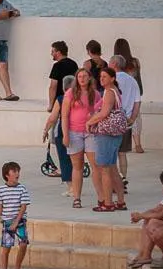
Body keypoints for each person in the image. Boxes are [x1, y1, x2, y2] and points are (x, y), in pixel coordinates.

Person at [86, 67, 126, 212]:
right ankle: (120, 201)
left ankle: (107, 203)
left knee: (105, 169)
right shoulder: (115, 91)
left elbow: (104, 113)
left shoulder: (109, 92)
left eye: (105, 76)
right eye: (100, 76)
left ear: (112, 78)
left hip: (106, 134)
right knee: (113, 168)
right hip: (115, 134)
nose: (101, 79)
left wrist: (89, 122)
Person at [59, 67, 99, 208]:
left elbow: (99, 111)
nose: (82, 78)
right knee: (77, 166)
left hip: (90, 132)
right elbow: (64, 115)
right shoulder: (70, 93)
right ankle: (77, 198)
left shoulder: (95, 94)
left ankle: (101, 197)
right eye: (79, 76)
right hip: (74, 132)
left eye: (84, 76)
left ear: (89, 78)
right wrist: (65, 135)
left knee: (95, 165)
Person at [45, 41, 78, 192]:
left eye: (53, 51)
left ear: (58, 52)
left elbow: (53, 86)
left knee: (60, 138)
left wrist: (51, 105)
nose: (51, 54)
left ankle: (67, 175)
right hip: (75, 103)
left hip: (62, 101)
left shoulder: (57, 66)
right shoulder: (73, 64)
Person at [0, 161, 31, 269]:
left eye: (18, 171)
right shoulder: (0, 190)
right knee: (6, 248)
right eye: (14, 171)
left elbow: (23, 207)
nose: (17, 173)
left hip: (19, 222)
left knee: (23, 244)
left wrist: (17, 222)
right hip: (7, 222)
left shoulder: (22, 188)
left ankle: (17, 268)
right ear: (6, 175)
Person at [110, 54, 142, 189]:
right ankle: (123, 178)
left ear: (114, 65)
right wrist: (133, 118)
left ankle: (114, 182)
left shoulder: (111, 80)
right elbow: (137, 102)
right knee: (122, 153)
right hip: (126, 122)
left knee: (111, 155)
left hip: (112, 121)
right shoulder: (132, 81)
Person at [113, 37, 145, 153]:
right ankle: (138, 144)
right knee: (135, 118)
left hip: (119, 95)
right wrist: (140, 91)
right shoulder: (134, 62)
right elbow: (138, 79)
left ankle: (120, 142)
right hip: (133, 93)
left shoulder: (115, 64)